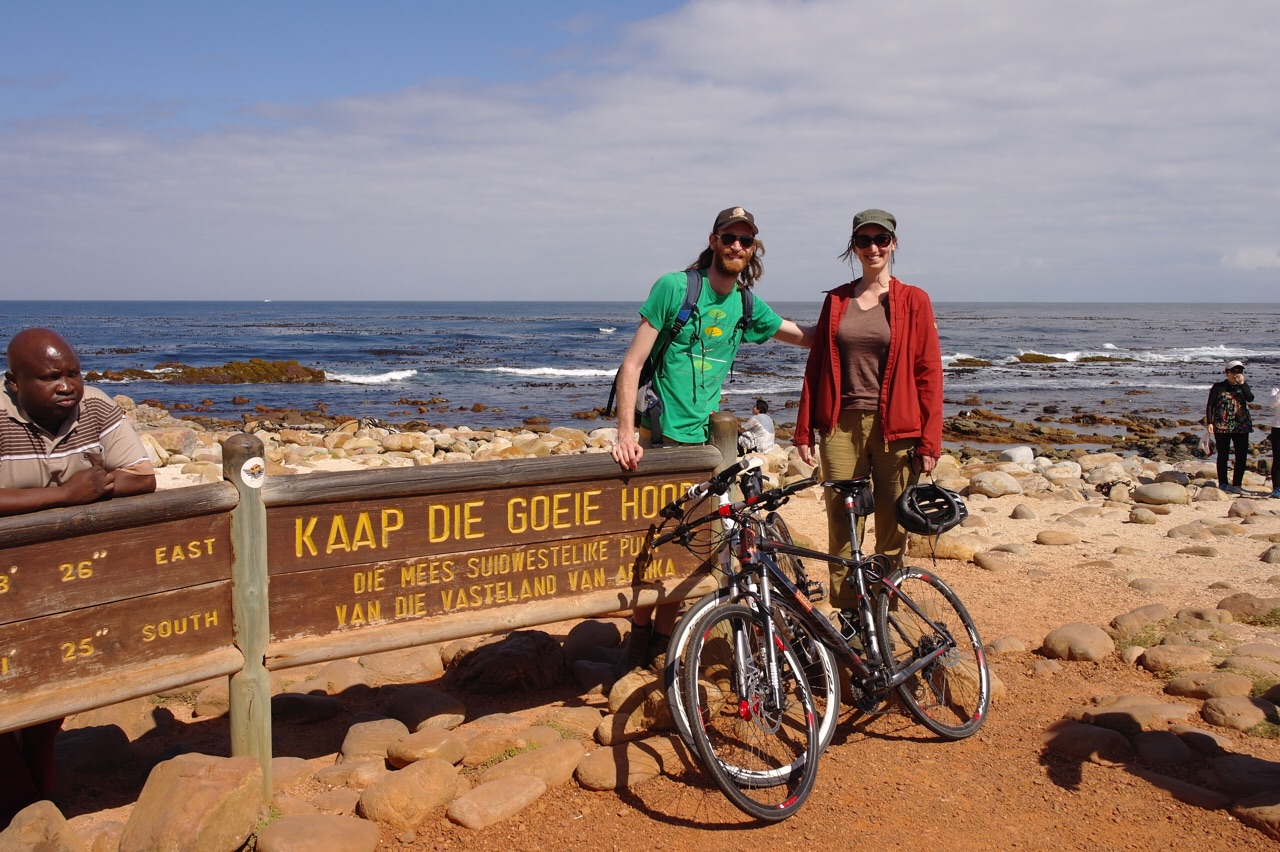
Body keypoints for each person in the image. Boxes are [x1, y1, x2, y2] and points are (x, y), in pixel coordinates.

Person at [610, 206, 812, 673]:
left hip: (709, 449)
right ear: (714, 239)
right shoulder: (676, 288)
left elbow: (799, 335)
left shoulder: (744, 303)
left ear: (752, 247)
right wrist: (624, 433)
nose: (737, 246)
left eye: (745, 240)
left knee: (693, 548)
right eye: (730, 237)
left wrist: (860, 331)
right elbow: (633, 363)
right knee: (655, 546)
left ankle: (661, 649)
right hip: (659, 440)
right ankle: (637, 647)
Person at [1, 328, 156, 826]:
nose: (67, 386)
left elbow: (143, 476)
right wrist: (64, 496)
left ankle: (35, 796)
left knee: (48, 685)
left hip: (62, 579)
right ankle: (26, 806)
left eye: (72, 373)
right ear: (14, 383)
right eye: (50, 378)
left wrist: (103, 484)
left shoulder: (96, 406)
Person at [792, 209, 943, 633]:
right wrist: (804, 427)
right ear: (853, 248)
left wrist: (930, 441)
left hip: (897, 427)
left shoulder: (914, 299)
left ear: (894, 243)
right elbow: (817, 363)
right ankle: (849, 613)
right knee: (843, 519)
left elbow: (929, 372)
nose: (873, 247)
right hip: (840, 425)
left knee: (893, 522)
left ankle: (883, 607)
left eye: (881, 239)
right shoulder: (837, 299)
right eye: (864, 240)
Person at [1205, 359, 1254, 494]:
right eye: (1233, 371)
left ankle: (1237, 484)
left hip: (1241, 425)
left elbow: (1250, 398)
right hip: (1222, 425)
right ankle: (1223, 483)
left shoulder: (1243, 386)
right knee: (1223, 455)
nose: (1236, 374)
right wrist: (1210, 422)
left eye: (1239, 371)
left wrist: (1242, 384)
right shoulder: (1218, 386)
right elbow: (1210, 405)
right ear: (1226, 372)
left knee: (1241, 455)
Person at [1268, 384, 1280, 499]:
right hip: (1278, 427)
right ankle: (1277, 488)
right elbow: (1272, 404)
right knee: (1278, 459)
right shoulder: (1276, 389)